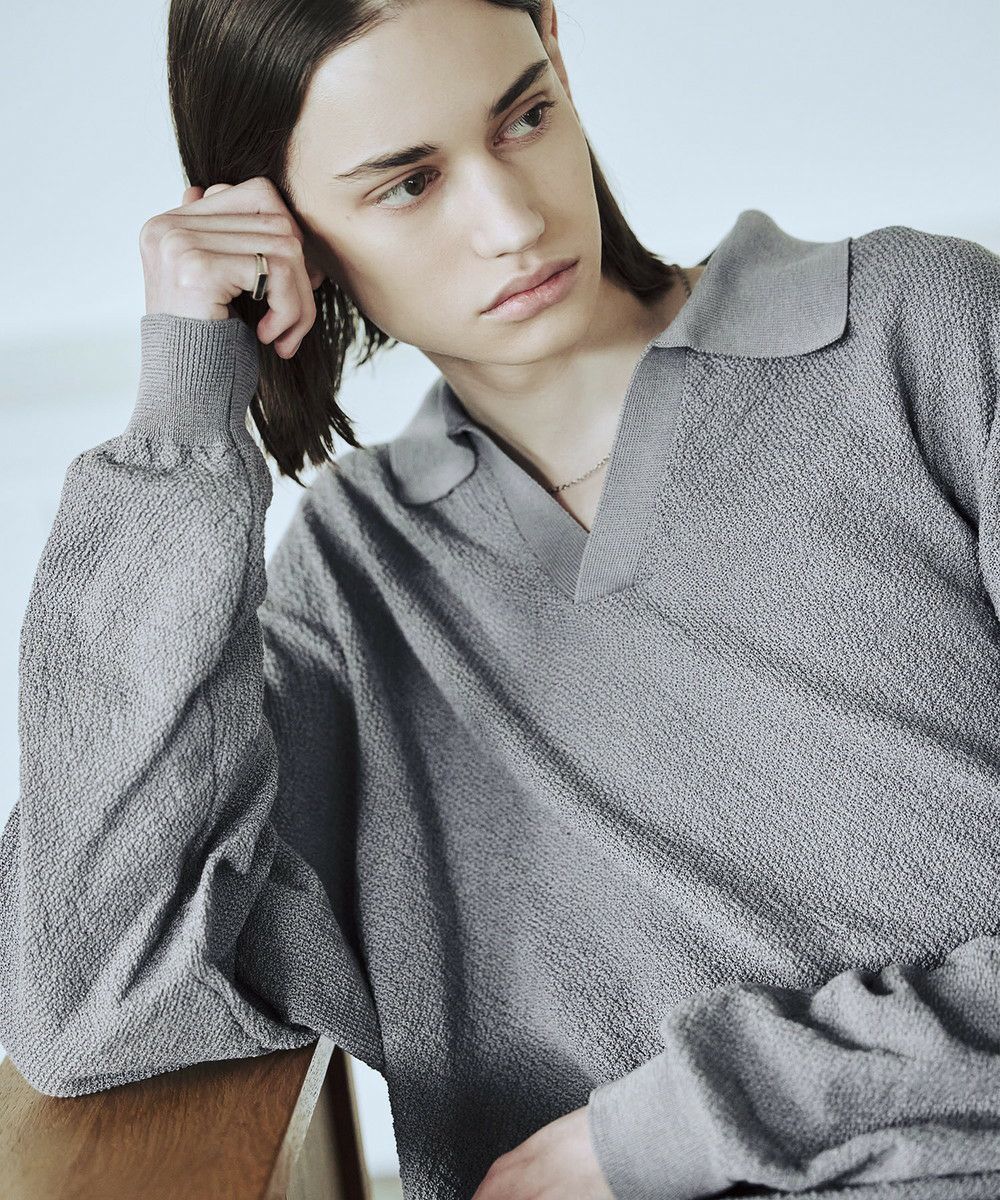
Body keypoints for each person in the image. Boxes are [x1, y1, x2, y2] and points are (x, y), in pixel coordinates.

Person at [3, 0, 1000, 1197]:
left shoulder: (919, 334)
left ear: (558, 54)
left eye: (522, 118)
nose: (514, 221)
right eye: (409, 183)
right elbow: (88, 1002)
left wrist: (675, 1128)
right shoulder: (357, 581)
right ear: (283, 230)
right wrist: (183, 412)